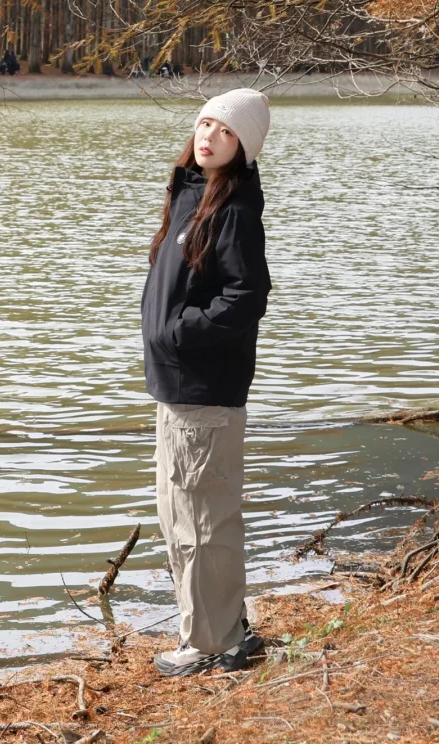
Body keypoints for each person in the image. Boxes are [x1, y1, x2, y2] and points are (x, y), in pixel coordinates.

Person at [141, 87, 272, 677]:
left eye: (224, 129)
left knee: (201, 520)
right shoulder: (190, 193)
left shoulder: (235, 209)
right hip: (176, 388)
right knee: (180, 517)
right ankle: (224, 626)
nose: (208, 135)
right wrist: (167, 336)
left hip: (204, 391)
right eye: (203, 123)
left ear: (244, 145)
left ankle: (213, 645)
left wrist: (179, 332)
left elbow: (247, 296)